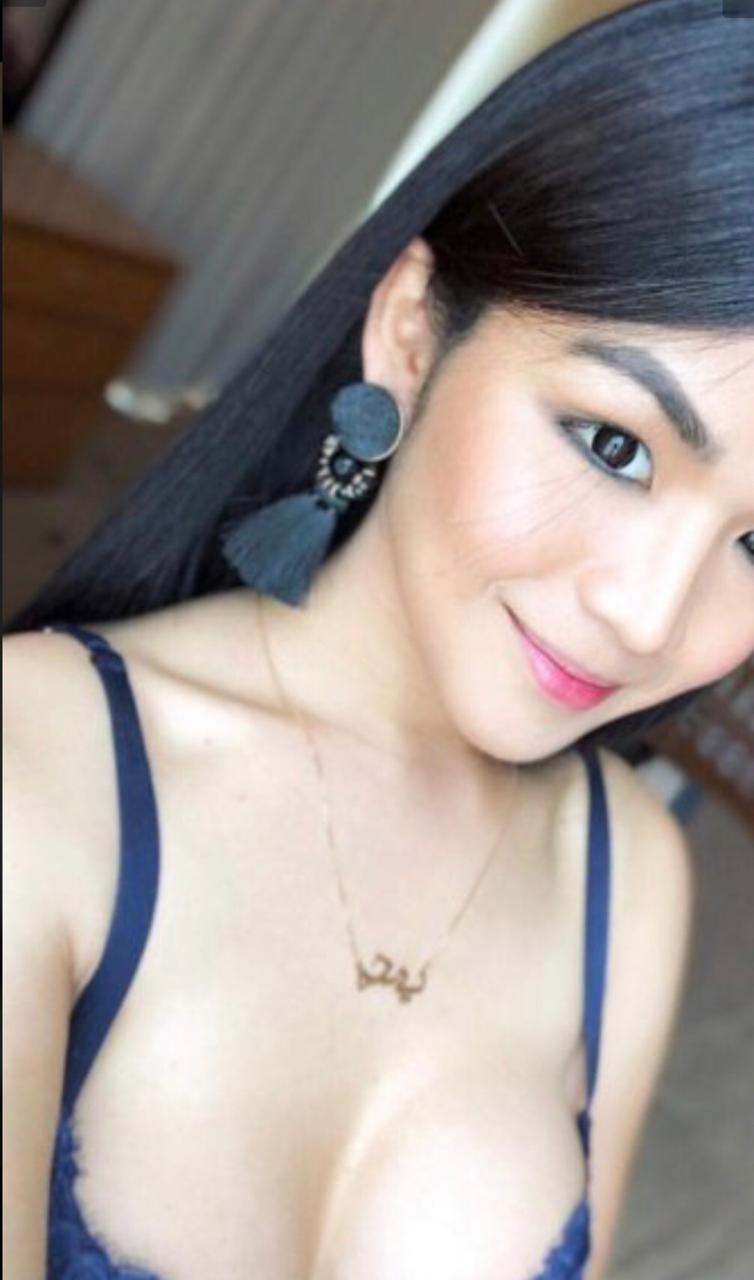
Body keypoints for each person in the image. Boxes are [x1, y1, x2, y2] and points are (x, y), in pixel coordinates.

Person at [4, 1, 753, 1277]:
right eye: (613, 444)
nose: (647, 614)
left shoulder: (626, 874)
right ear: (410, 329)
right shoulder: (38, 770)